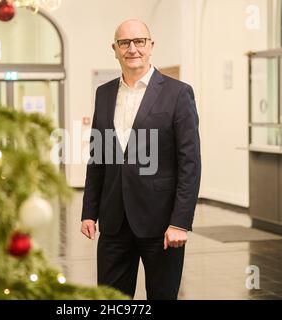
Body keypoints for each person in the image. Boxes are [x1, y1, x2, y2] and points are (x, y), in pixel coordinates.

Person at [80, 19, 201, 300]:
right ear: (115, 49)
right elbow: (98, 156)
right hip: (113, 222)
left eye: (139, 42)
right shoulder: (104, 93)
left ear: (151, 46)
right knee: (111, 299)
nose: (132, 48)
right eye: (124, 43)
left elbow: (190, 164)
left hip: (161, 224)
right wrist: (89, 210)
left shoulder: (178, 93)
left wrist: (180, 222)